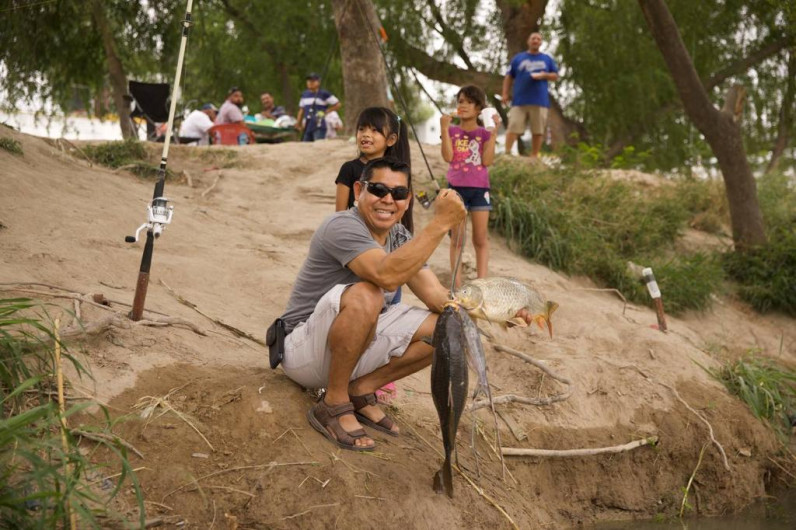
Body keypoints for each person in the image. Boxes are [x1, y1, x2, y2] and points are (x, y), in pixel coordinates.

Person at [441, 85, 500, 288]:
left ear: (479, 109)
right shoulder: (451, 131)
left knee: (480, 238)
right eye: (460, 101)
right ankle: (456, 286)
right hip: (455, 188)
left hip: (480, 189)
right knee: (457, 238)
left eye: (469, 102)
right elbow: (448, 157)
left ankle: (482, 285)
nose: (463, 105)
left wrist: (493, 134)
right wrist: (443, 128)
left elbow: (487, 160)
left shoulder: (484, 133)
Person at [501, 32, 559, 158]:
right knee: (513, 127)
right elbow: (509, 76)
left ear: (541, 42)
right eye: (533, 38)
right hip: (519, 100)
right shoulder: (518, 58)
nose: (536, 40)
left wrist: (544, 75)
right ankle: (507, 153)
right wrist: (505, 93)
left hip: (540, 101)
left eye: (538, 39)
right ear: (528, 41)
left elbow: (555, 76)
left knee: (538, 130)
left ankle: (534, 156)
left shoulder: (547, 59)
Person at [295, 73, 341, 142]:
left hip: (319, 125)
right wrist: (298, 123)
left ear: (318, 82)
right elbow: (301, 110)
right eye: (309, 81)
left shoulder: (324, 94)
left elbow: (337, 104)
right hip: (307, 126)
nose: (310, 83)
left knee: (318, 145)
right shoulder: (304, 94)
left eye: (313, 81)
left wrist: (326, 111)